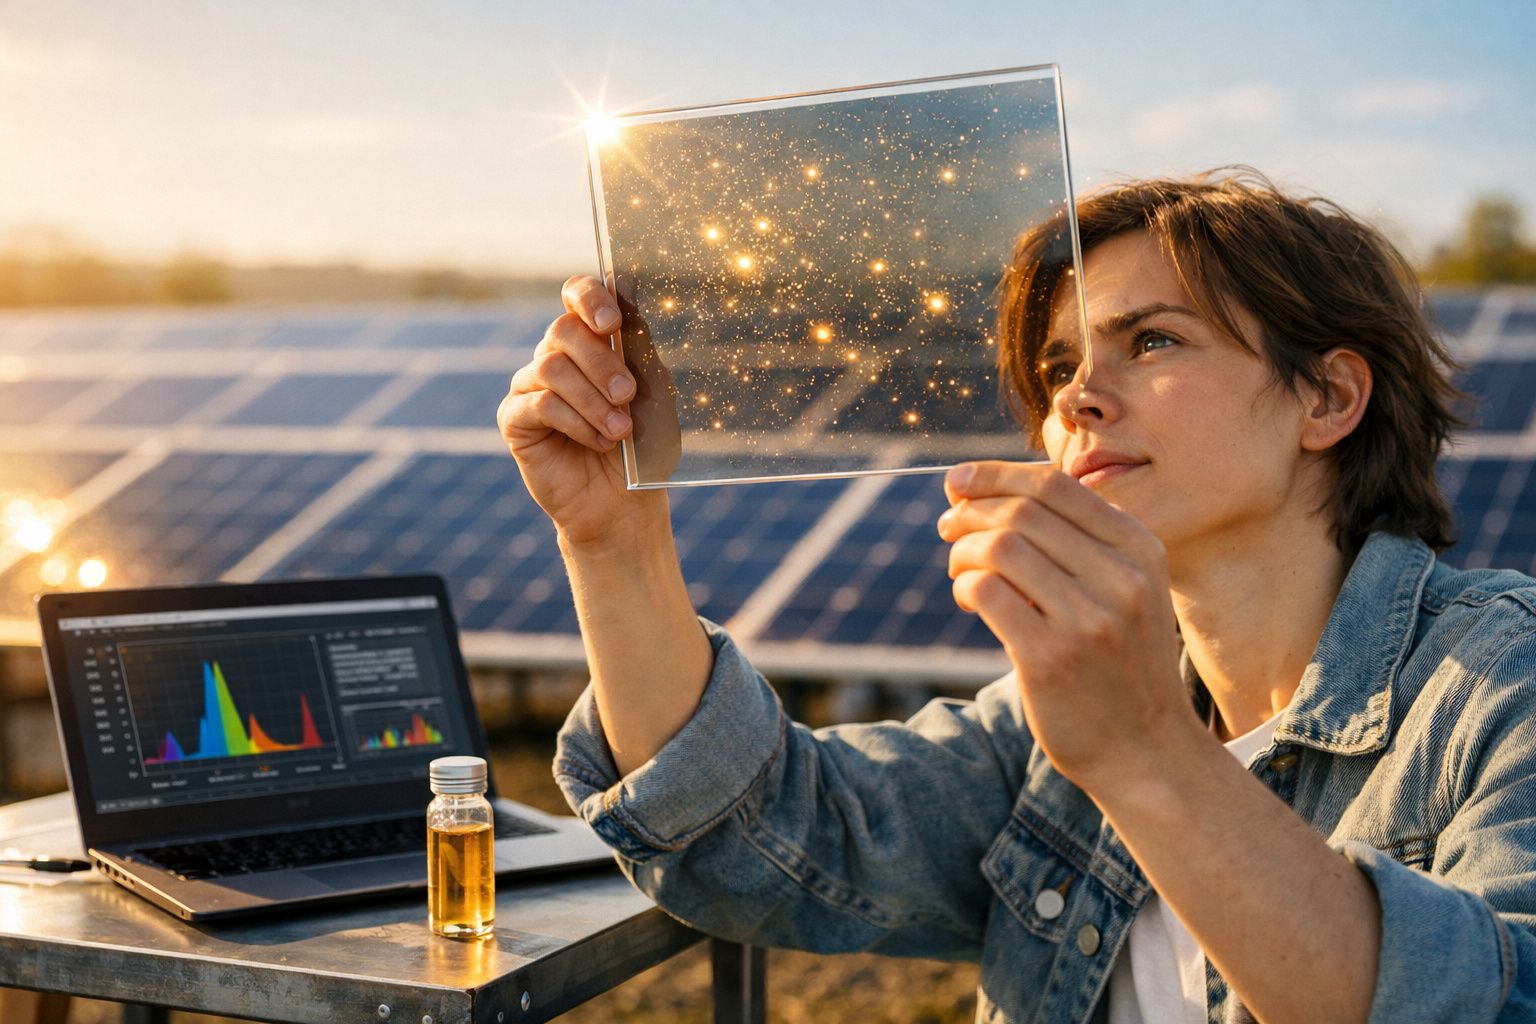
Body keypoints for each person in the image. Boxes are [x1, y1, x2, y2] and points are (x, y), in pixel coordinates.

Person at [497, 167, 1536, 1023]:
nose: (1075, 398)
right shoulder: (1048, 731)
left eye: (1154, 340)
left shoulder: (1498, 690)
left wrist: (1143, 751)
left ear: (1329, 395)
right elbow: (766, 837)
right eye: (1056, 368)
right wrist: (614, 538)